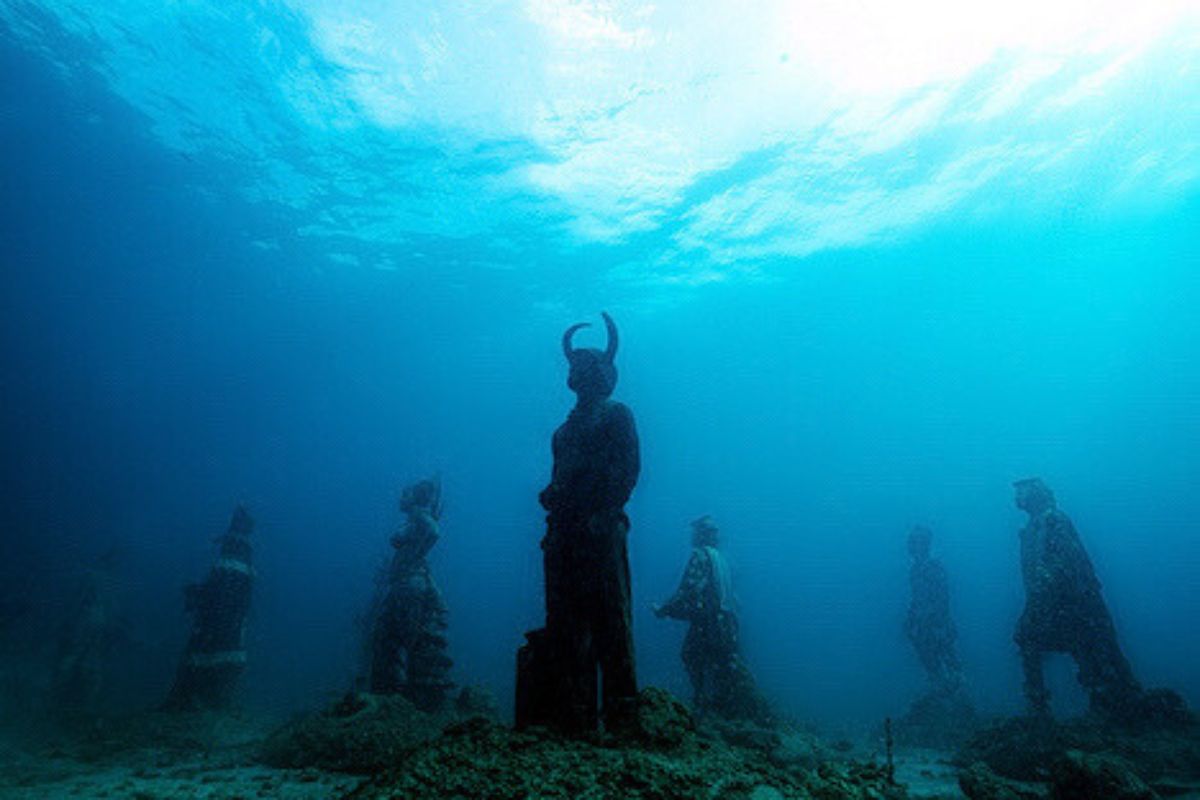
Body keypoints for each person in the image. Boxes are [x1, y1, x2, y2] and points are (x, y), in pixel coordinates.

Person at [516, 312, 640, 735]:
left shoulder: (616, 416)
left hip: (601, 530)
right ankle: (575, 713)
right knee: (566, 620)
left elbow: (627, 471)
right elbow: (559, 480)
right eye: (572, 366)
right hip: (563, 535)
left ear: (602, 373)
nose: (575, 372)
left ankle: (623, 713)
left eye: (583, 366)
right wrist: (553, 500)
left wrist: (600, 512)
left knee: (611, 616)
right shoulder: (562, 432)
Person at [1012, 478, 1186, 725]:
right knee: (1030, 639)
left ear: (1037, 494)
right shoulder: (1031, 529)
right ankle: (1040, 708)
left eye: (1023, 489)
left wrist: (1047, 585)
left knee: (1097, 654)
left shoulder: (1054, 520)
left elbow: (1068, 560)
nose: (1017, 495)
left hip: (1076, 602)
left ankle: (1120, 706)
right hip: (1050, 602)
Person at [654, 516, 768, 723]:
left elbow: (689, 589)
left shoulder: (700, 555)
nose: (692, 536)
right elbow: (731, 595)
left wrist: (665, 609)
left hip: (709, 623)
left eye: (696, 532)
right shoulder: (723, 559)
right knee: (724, 664)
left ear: (701, 535)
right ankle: (733, 712)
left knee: (691, 656)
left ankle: (704, 707)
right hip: (727, 623)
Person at [367, 477, 453, 711]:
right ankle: (400, 697)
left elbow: (434, 532)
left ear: (415, 498)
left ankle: (400, 700)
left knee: (401, 640)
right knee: (397, 639)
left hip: (409, 585)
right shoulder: (414, 519)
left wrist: (417, 552)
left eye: (405, 495)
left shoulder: (418, 515)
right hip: (406, 584)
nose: (400, 498)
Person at [163, 505, 254, 711]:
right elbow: (229, 592)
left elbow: (222, 590)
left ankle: (192, 700)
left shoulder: (234, 551)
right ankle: (212, 701)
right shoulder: (243, 555)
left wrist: (198, 594)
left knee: (205, 655)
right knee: (220, 656)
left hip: (216, 626)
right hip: (228, 627)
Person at [904, 525, 963, 695]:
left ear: (925, 544)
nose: (911, 545)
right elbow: (916, 599)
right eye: (911, 541)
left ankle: (960, 697)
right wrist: (910, 619)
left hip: (938, 624)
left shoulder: (934, 567)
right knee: (929, 658)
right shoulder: (915, 570)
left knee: (948, 658)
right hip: (924, 624)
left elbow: (943, 597)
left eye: (916, 542)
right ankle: (942, 693)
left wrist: (935, 620)